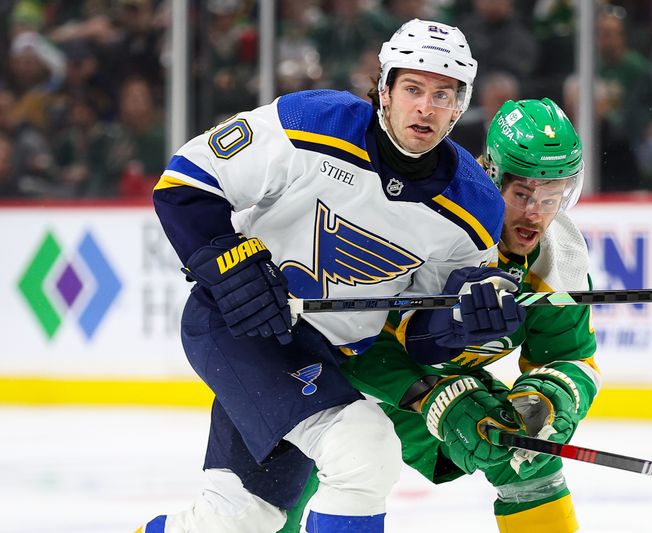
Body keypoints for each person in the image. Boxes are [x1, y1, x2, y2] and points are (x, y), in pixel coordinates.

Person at [139, 18, 526, 533]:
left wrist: (463, 322)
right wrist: (230, 263)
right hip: (241, 329)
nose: (426, 107)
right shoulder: (311, 122)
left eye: (443, 94)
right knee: (364, 450)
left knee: (239, 519)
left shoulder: (474, 206)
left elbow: (420, 337)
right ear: (384, 89)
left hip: (326, 357)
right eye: (412, 88)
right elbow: (186, 183)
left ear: (460, 106)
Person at [287, 98, 599, 532]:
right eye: (523, 194)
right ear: (492, 176)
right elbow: (346, 329)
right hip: (329, 371)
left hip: (429, 384)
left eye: (552, 197)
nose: (536, 214)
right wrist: (432, 394)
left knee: (528, 464)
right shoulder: (431, 218)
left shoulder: (558, 254)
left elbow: (571, 355)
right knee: (274, 500)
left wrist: (548, 400)